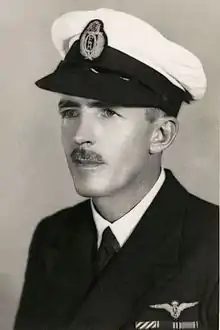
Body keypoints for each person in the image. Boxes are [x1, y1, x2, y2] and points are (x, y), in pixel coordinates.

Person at [14, 8, 218, 330]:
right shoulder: (53, 238)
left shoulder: (212, 243)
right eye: (70, 111)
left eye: (107, 112)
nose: (80, 135)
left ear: (160, 134)